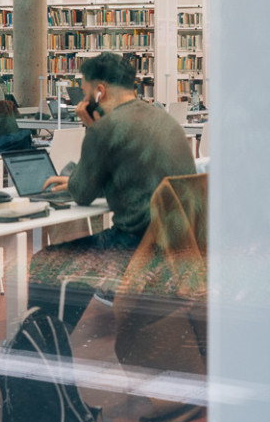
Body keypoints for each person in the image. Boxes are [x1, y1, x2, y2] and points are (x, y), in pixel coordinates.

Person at [29, 52, 197, 333]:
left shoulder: (103, 130)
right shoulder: (165, 120)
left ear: (99, 92)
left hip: (136, 245)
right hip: (181, 241)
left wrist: (91, 129)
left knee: (46, 263)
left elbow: (82, 193)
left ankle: (43, 348)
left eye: (84, 93)